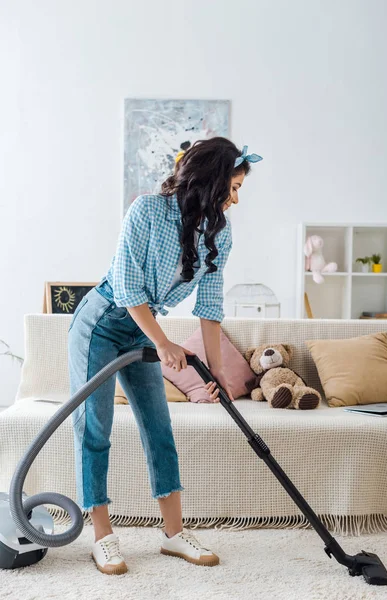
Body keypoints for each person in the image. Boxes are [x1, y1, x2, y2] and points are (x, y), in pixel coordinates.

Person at [67, 136, 263, 574]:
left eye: (238, 190)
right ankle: (103, 537)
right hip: (101, 323)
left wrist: (215, 372)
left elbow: (209, 307)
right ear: (210, 181)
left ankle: (174, 534)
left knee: (159, 427)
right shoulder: (146, 211)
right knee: (95, 429)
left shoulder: (219, 233)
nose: (234, 199)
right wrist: (161, 341)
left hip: (142, 328)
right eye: (231, 187)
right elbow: (127, 286)